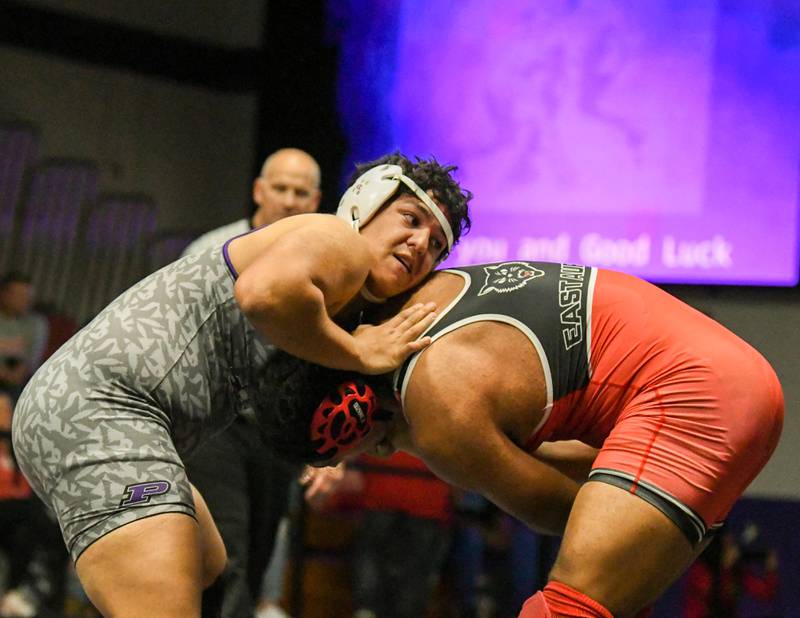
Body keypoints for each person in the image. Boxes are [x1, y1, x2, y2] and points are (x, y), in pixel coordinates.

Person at [11, 153, 472, 618]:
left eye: (435, 245)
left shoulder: (347, 307)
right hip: (102, 410)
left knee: (212, 575)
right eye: (410, 219)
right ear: (367, 203)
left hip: (123, 422)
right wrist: (359, 354)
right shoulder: (336, 240)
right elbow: (263, 294)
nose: (418, 245)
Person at [257, 259, 784, 618]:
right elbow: (588, 462)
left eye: (339, 455)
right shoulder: (421, 292)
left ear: (347, 421)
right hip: (717, 377)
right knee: (613, 596)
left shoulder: (435, 405)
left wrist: (419, 442)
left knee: (569, 604)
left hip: (693, 394)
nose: (371, 453)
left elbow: (558, 510)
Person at [182, 148, 323, 617]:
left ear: (316, 200)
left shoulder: (327, 267)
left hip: (276, 434)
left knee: (261, 558)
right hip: (214, 426)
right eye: (280, 188)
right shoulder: (209, 251)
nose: (288, 199)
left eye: (300, 192)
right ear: (259, 190)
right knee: (227, 554)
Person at [0, 272, 49, 401]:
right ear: (4, 295)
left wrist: (12, 375)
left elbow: (30, 361)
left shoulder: (37, 324)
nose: (27, 300)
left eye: (28, 296)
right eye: (20, 295)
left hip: (17, 385)